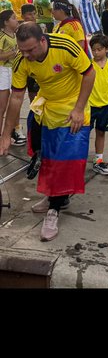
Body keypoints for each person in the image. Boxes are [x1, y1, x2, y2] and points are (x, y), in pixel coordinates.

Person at [0, 22, 95, 241]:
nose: (26, 55)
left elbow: (89, 74)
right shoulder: (21, 61)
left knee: (66, 160)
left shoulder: (65, 46)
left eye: (30, 50)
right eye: (22, 50)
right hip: (48, 108)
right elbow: (16, 98)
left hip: (73, 108)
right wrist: (5, 134)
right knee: (47, 157)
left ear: (43, 40)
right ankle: (57, 196)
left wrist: (79, 109)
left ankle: (54, 209)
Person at [88, 32, 108, 175]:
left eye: (99, 49)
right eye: (93, 49)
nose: (96, 52)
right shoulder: (87, 66)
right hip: (89, 106)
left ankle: (98, 160)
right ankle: (77, 160)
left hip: (105, 106)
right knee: (82, 134)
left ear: (107, 49)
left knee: (101, 133)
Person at [0, 8, 26, 146]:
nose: (17, 20)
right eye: (14, 18)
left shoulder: (16, 35)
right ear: (5, 22)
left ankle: (13, 132)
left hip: (14, 71)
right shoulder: (2, 37)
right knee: (2, 106)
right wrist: (13, 53)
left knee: (14, 103)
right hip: (3, 71)